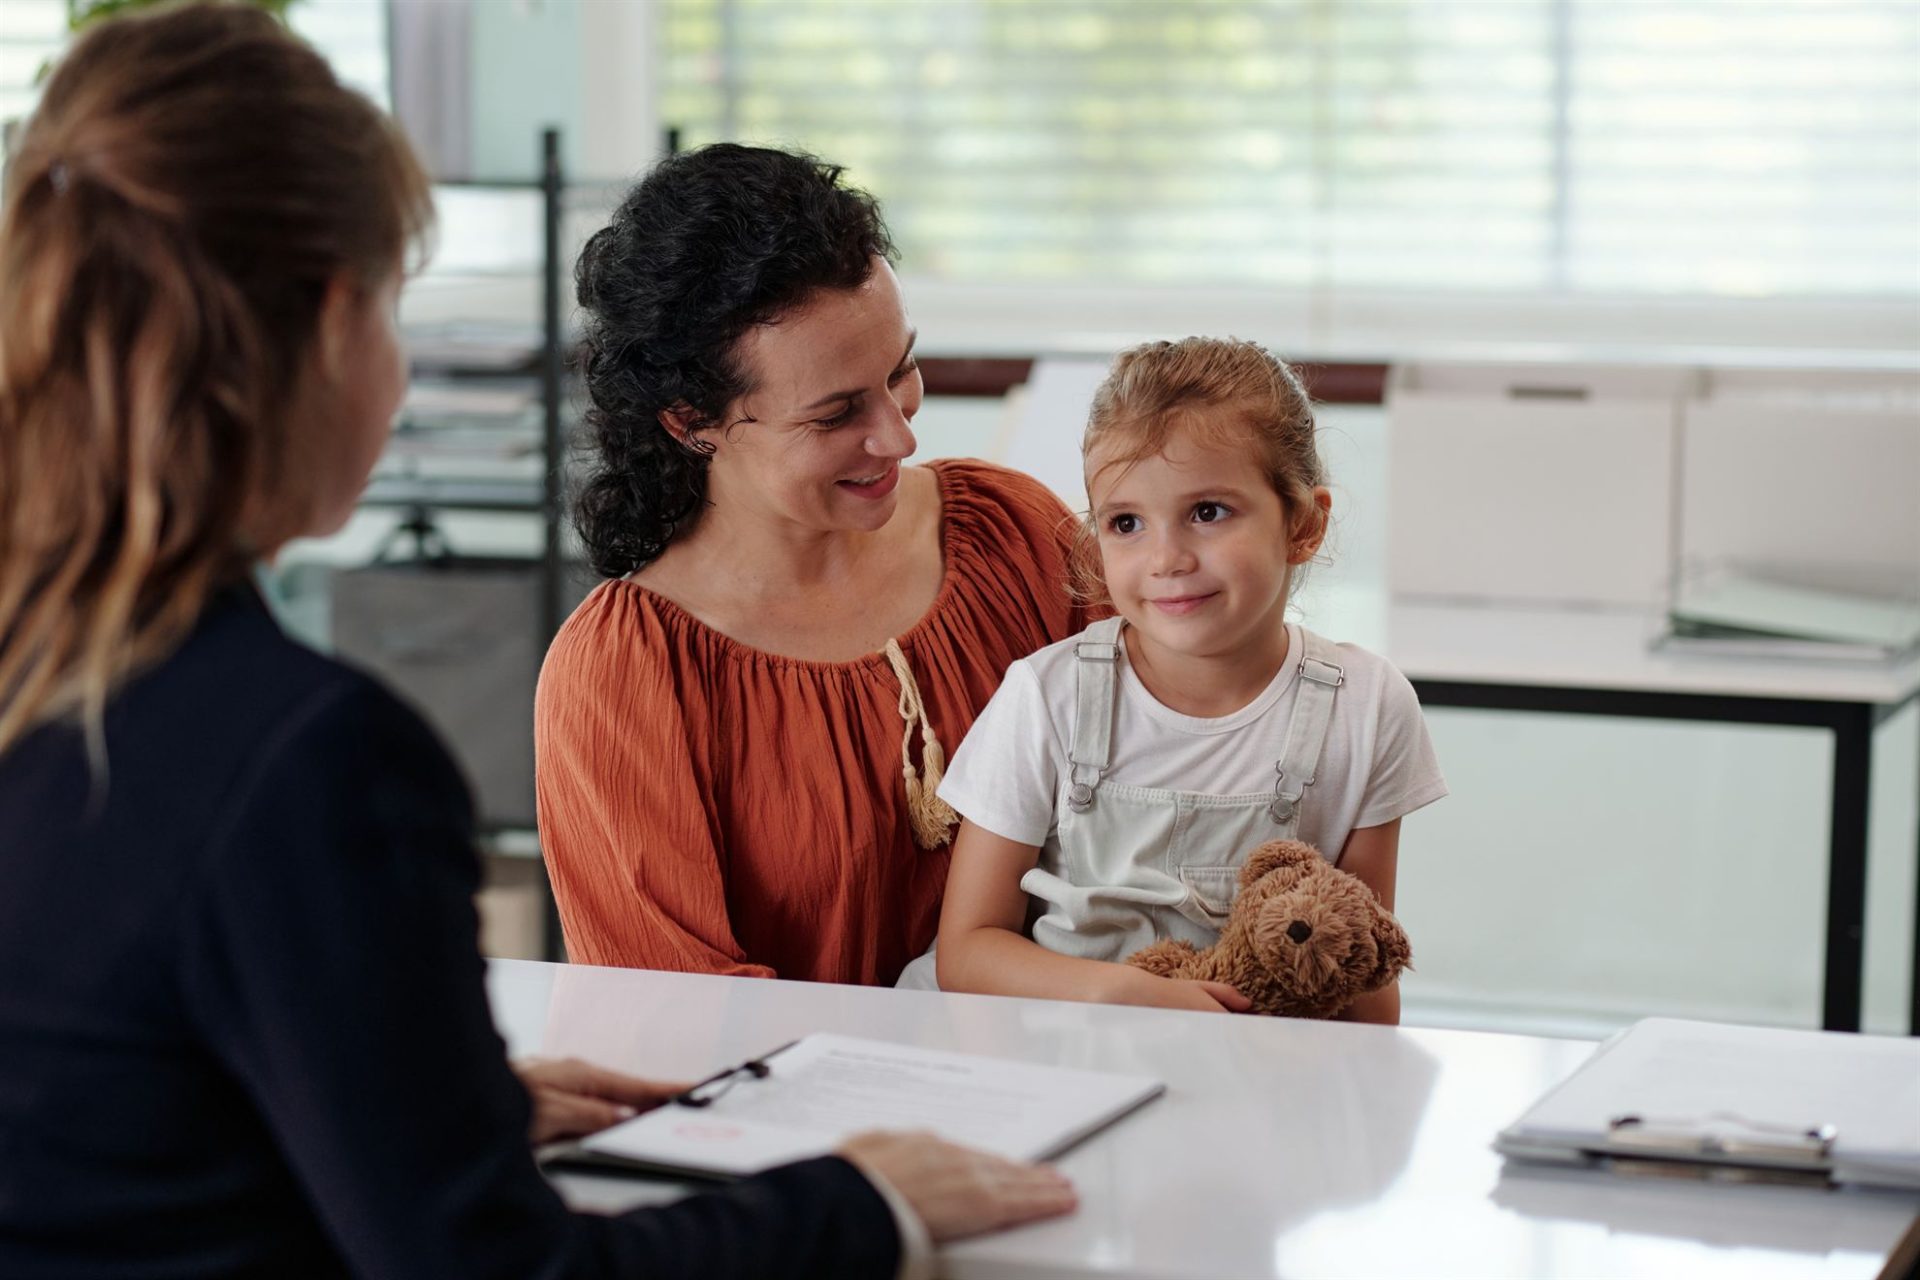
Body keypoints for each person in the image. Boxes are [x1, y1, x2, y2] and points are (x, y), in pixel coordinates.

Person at [0, 7, 1073, 1278]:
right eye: (399, 310)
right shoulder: (311, 756)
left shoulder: (54, 683)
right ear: (339, 323)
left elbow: (127, 1100)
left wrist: (447, 1106)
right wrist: (865, 1201)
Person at [535, 144, 1092, 984]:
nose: (900, 438)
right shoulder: (625, 676)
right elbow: (673, 1023)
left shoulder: (1016, 535)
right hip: (816, 1117)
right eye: (835, 415)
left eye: (901, 369)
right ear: (694, 422)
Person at [927, 338, 1448, 1021]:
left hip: (1253, 1080)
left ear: (1304, 523)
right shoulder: (1045, 696)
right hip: (1058, 1062)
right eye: (1126, 523)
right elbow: (966, 952)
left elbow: (1362, 971)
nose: (1166, 558)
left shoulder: (1368, 707)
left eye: (1208, 512)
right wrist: (1125, 994)